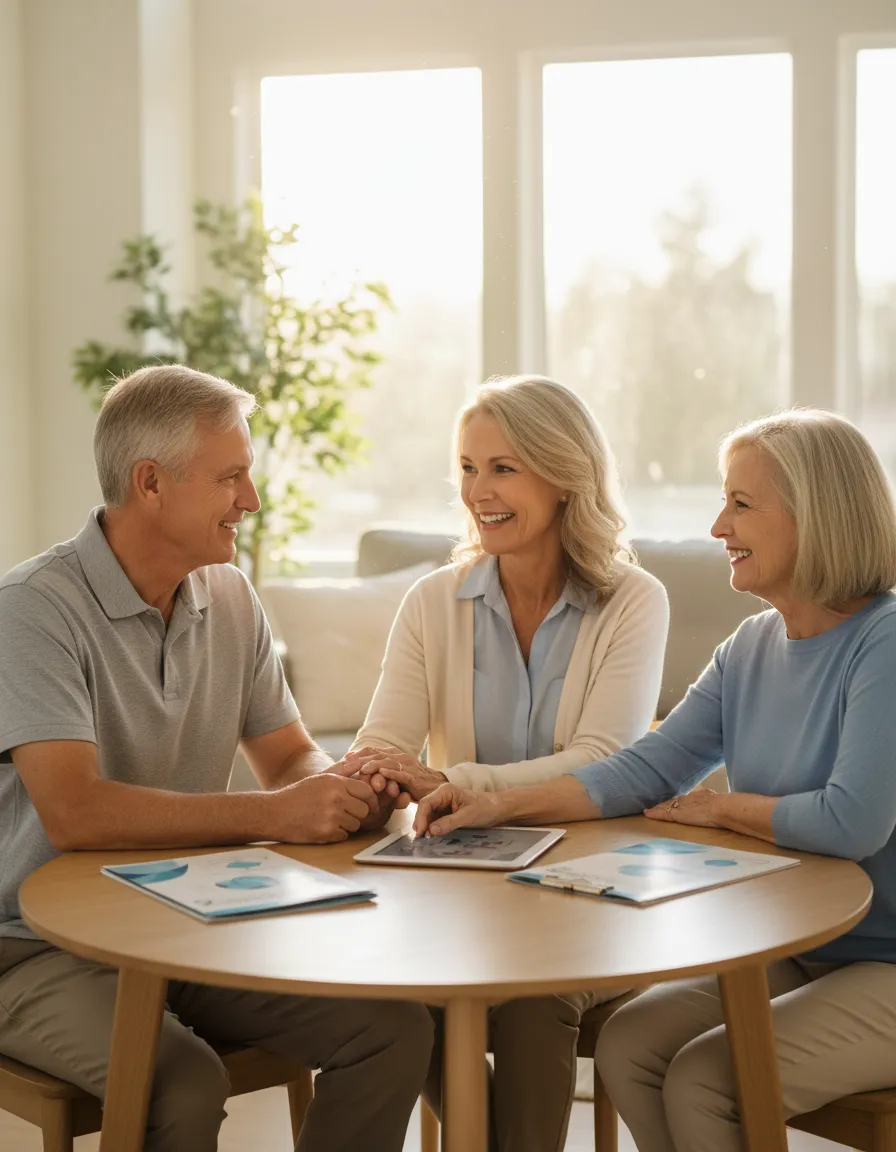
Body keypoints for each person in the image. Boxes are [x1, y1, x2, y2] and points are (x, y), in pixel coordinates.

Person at [408, 408, 896, 1152]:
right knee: (630, 1044)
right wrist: (498, 802)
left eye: (740, 503)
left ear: (815, 515)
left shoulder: (884, 643)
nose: (715, 527)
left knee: (707, 1079)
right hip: (809, 951)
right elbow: (648, 768)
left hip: (887, 962)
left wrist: (723, 810)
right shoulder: (751, 647)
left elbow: (851, 823)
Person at [0, 364, 432, 1152]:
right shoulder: (31, 610)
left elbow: (290, 756)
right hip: (33, 948)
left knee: (392, 1028)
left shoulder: (228, 596)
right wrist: (272, 815)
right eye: (231, 477)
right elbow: (74, 810)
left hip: (192, 921)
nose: (253, 501)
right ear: (151, 484)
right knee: (183, 1084)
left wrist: (343, 787)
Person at [343, 375, 669, 1152]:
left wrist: (459, 783)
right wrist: (380, 776)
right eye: (466, 467)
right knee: (385, 997)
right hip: (462, 892)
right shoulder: (431, 601)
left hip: (594, 892)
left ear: (564, 477)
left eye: (502, 468)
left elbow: (602, 762)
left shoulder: (633, 600)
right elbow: (380, 748)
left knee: (533, 999)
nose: (476, 491)